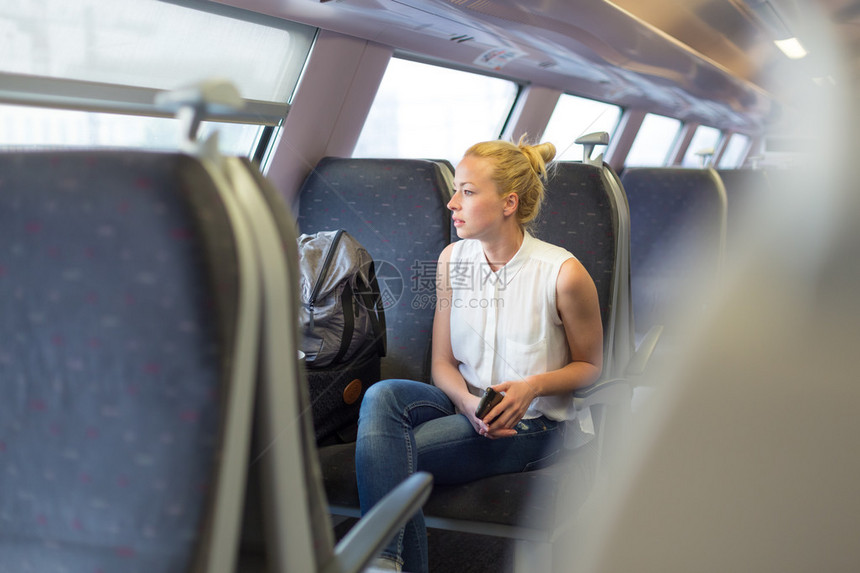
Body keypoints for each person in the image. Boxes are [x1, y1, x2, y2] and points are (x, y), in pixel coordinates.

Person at [355, 137, 604, 572]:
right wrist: (469, 404)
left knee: (394, 454)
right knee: (382, 395)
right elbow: (442, 365)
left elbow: (592, 367)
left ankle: (385, 562)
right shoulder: (453, 260)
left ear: (508, 203)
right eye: (455, 189)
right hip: (463, 404)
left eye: (467, 192)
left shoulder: (562, 273)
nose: (452, 202)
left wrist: (532, 386)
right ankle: (386, 563)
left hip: (532, 424)